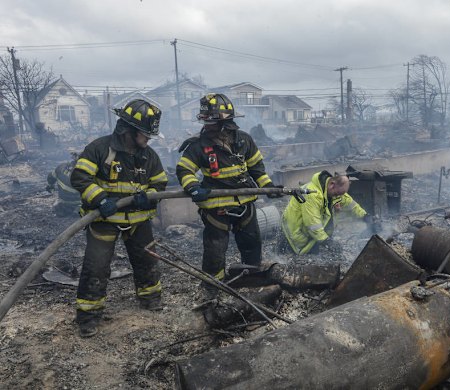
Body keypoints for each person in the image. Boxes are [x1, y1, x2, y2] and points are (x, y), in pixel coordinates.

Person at [70, 99, 168, 338]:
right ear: (128, 130)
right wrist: (100, 199)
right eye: (145, 134)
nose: (148, 139)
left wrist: (150, 196)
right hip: (105, 220)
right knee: (96, 266)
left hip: (138, 220)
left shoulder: (149, 155)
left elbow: (160, 182)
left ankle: (150, 299)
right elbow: (80, 177)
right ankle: (88, 316)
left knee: (147, 261)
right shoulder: (100, 149)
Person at [176, 93, 281, 300]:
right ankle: (212, 289)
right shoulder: (197, 145)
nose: (208, 126)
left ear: (226, 122)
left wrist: (268, 187)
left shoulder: (244, 140)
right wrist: (193, 187)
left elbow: (257, 169)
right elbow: (184, 170)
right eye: (206, 121)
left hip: (245, 203)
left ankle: (251, 281)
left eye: (212, 122)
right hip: (216, 207)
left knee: (252, 245)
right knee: (215, 250)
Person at [280, 171, 371, 255]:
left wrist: (365, 216)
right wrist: (327, 242)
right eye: (337, 194)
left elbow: (350, 204)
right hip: (295, 234)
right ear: (332, 185)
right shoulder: (312, 195)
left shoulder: (332, 190)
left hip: (313, 235)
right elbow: (312, 224)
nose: (339, 196)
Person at [46, 151, 81, 217]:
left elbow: (50, 177)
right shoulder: (85, 173)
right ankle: (77, 210)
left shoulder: (61, 167)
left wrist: (50, 186)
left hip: (63, 204)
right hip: (79, 204)